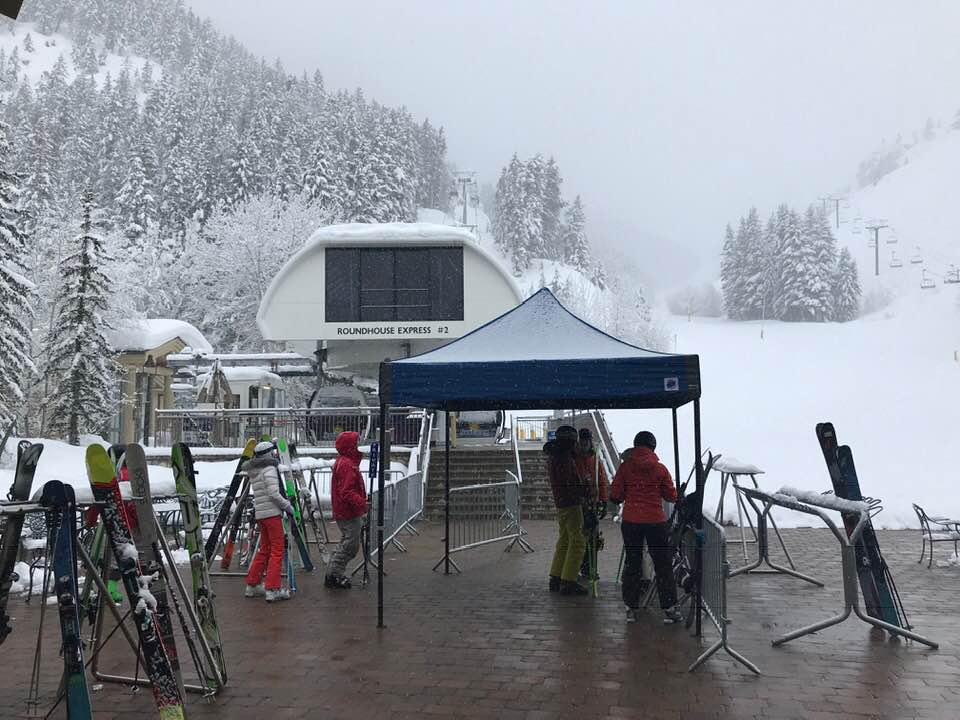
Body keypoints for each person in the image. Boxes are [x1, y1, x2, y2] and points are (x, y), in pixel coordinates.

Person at [610, 430, 681, 624]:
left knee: (633, 563)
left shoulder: (626, 468)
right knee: (662, 563)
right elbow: (671, 496)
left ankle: (630, 607)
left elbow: (616, 495)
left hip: (632, 522)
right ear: (653, 446)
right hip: (655, 522)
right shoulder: (660, 469)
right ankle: (669, 607)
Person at [244, 441, 295, 602]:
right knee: (277, 550)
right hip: (272, 514)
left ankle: (252, 584)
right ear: (268, 454)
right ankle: (273, 588)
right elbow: (273, 493)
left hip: (261, 514)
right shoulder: (269, 469)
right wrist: (288, 506)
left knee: (265, 549)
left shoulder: (254, 470)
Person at [545, 425, 590, 595]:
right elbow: (569, 484)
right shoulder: (564, 458)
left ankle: (556, 577)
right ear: (570, 441)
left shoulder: (554, 456)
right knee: (578, 541)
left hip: (561, 502)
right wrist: (583, 488)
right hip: (571, 503)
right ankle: (568, 580)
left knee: (564, 540)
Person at [325, 431, 368, 589]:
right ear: (350, 447)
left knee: (347, 541)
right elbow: (346, 491)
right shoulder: (347, 464)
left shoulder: (346, 462)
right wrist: (362, 503)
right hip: (348, 511)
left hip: (347, 510)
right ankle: (335, 574)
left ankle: (333, 571)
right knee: (350, 544)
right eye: (356, 443)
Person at [575, 428, 608, 580]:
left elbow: (602, 481)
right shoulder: (574, 459)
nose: (584, 444)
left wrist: (604, 500)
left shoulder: (595, 460)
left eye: (586, 441)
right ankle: (579, 566)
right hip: (578, 505)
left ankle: (590, 567)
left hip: (592, 504)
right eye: (582, 441)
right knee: (579, 538)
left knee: (593, 538)